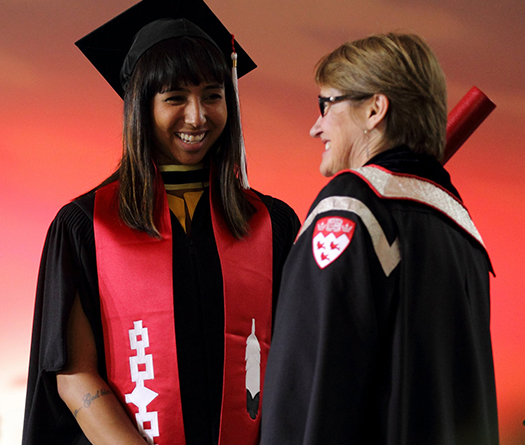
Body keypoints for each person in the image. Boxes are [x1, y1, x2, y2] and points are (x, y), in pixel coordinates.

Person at [22, 1, 299, 444]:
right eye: (175, 98)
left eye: (213, 94)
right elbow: (74, 374)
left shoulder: (272, 224)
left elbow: (296, 360)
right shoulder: (87, 227)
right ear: (140, 106)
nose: (198, 116)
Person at [260, 33, 499, 444]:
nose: (316, 126)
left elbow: (310, 386)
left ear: (375, 109)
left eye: (326, 104)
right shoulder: (464, 233)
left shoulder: (350, 207)